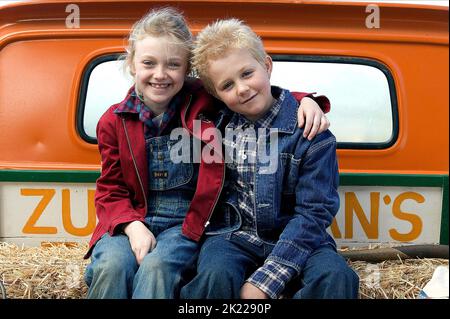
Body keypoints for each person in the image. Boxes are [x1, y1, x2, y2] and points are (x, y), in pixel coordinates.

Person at [83, 8, 331, 299]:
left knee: (158, 268)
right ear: (132, 64)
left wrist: (306, 101)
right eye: (149, 63)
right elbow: (110, 188)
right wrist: (132, 226)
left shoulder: (202, 102)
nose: (160, 74)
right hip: (128, 219)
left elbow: (254, 93)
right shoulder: (113, 121)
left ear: (186, 71)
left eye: (173, 65)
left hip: (182, 222)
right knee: (112, 266)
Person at [179, 18, 359, 299]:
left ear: (267, 65)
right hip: (234, 235)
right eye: (227, 85)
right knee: (214, 276)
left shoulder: (311, 132)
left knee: (337, 278)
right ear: (216, 95)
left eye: (247, 73)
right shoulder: (215, 127)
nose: (241, 88)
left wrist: (265, 281)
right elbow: (161, 94)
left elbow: (314, 213)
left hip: (302, 237)